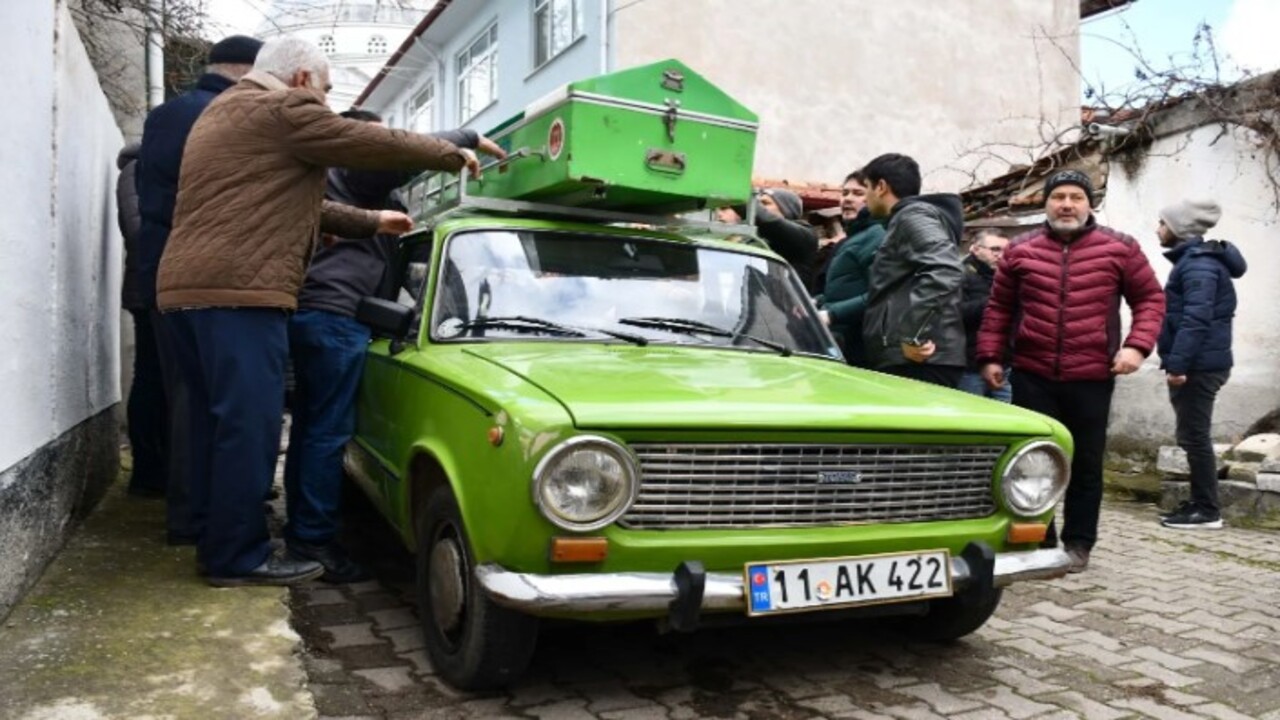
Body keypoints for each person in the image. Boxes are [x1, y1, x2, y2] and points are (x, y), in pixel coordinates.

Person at [155, 36, 487, 587]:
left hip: (187, 290)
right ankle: (236, 557)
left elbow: (289, 202)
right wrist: (455, 150)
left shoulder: (226, 111)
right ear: (305, 80)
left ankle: (213, 536)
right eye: (328, 89)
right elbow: (366, 142)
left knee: (217, 426)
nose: (328, 101)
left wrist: (371, 223)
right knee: (250, 429)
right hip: (241, 292)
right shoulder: (284, 105)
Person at [283, 109, 504, 582]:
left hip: (317, 313)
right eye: (382, 138)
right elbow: (397, 156)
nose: (389, 144)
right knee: (326, 433)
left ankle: (304, 528)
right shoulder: (353, 171)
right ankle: (314, 540)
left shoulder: (338, 179)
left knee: (311, 427)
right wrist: (464, 136)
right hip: (335, 318)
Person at [976, 170, 1165, 573]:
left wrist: (1136, 347)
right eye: (1058, 196)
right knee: (1030, 461)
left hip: (1092, 376)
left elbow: (1150, 298)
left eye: (1076, 197)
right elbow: (999, 309)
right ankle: (1037, 537)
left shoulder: (1120, 248)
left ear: (1089, 203)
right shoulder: (1020, 250)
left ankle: (1078, 544)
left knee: (1086, 462)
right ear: (1045, 203)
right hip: (1032, 372)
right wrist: (991, 356)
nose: (1066, 204)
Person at [135, 34, 264, 544]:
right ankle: (193, 519)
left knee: (189, 397)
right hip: (199, 278)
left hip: (168, 274)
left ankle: (196, 514)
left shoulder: (171, 113)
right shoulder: (216, 114)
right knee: (200, 401)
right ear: (246, 73)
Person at [1154, 199, 1246, 530]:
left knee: (1195, 437)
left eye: (1162, 223)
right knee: (1192, 435)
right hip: (1201, 363)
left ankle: (1207, 510)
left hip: (1199, 366)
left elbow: (1196, 319)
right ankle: (1199, 502)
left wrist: (1178, 365)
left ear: (1178, 228)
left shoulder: (1198, 265)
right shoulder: (1197, 261)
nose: (1158, 229)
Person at [859, 153, 966, 387]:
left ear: (881, 187)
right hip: (915, 359)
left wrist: (913, 334)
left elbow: (944, 268)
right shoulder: (908, 218)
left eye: (865, 188)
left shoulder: (912, 216)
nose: (863, 198)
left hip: (919, 361)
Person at [116, 141, 167, 497]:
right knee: (150, 377)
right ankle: (147, 472)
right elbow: (137, 232)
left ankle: (164, 467)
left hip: (163, 285)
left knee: (161, 380)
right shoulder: (137, 168)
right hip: (149, 287)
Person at [814, 170, 886, 367]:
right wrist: (815, 302)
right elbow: (843, 286)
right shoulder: (851, 238)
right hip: (836, 341)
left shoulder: (877, 236)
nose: (848, 199)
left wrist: (831, 314)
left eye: (857, 193)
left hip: (858, 347)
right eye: (845, 193)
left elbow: (879, 294)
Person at [718, 189, 819, 291]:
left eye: (765, 203)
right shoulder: (753, 239)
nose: (760, 207)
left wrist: (733, 194)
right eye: (758, 203)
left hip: (783, 306)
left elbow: (767, 221)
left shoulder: (805, 236)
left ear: (786, 210)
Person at [958, 229, 1011, 401]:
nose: (1001, 255)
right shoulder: (960, 275)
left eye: (1006, 250)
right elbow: (954, 314)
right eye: (995, 249)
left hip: (1005, 362)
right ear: (975, 249)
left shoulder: (1008, 276)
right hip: (969, 364)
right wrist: (994, 302)